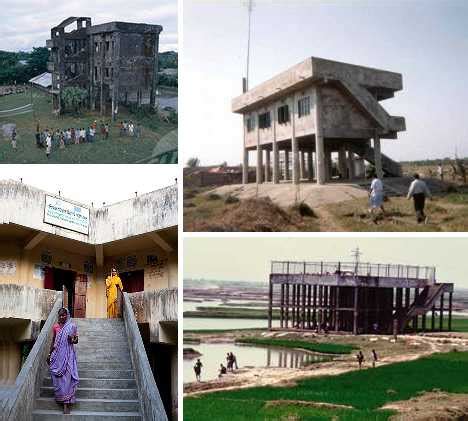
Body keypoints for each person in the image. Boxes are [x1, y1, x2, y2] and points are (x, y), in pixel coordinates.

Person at [47, 308, 79, 415]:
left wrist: (72, 339)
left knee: (68, 379)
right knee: (57, 376)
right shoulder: (55, 327)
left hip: (68, 355)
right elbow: (53, 341)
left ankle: (66, 404)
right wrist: (49, 354)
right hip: (57, 356)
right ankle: (60, 397)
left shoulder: (72, 326)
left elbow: (76, 340)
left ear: (67, 315)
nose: (62, 317)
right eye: (60, 315)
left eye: (64, 315)